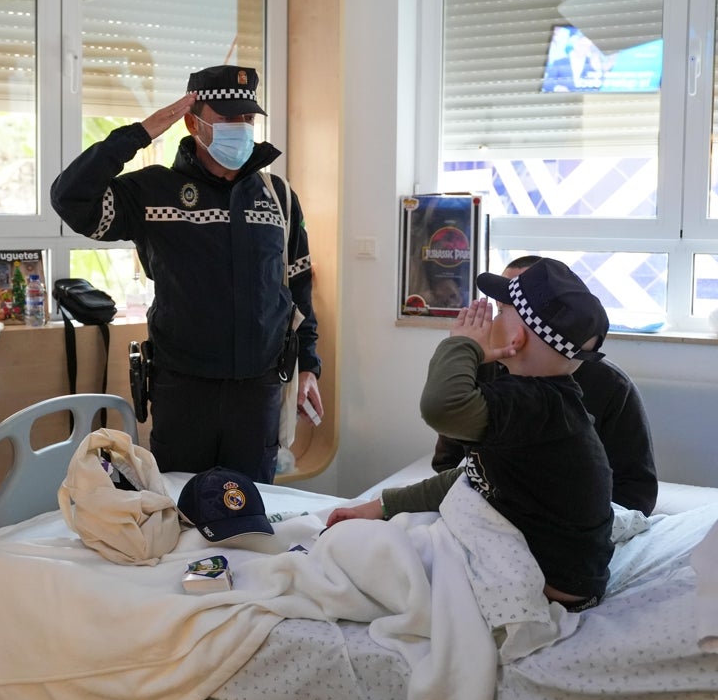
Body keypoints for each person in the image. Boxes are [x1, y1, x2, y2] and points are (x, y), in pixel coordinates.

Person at [50, 65, 322, 484]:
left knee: (250, 513)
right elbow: (71, 198)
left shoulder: (278, 196)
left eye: (247, 119)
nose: (241, 128)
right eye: (228, 118)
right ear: (194, 122)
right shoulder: (152, 191)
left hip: (258, 392)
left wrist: (309, 368)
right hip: (184, 392)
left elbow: (298, 290)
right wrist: (140, 134)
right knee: (181, 513)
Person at [327, 258, 614, 610]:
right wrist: (381, 505)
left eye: (502, 310)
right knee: (374, 537)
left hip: (552, 585)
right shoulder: (540, 402)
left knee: (354, 556)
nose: (491, 317)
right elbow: (477, 478)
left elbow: (440, 408)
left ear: (516, 337)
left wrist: (464, 345)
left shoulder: (534, 406)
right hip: (568, 578)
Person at [432, 255, 658, 514]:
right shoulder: (479, 371)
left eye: (509, 310)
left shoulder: (611, 387)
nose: (496, 321)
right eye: (500, 308)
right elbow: (448, 461)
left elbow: (636, 491)